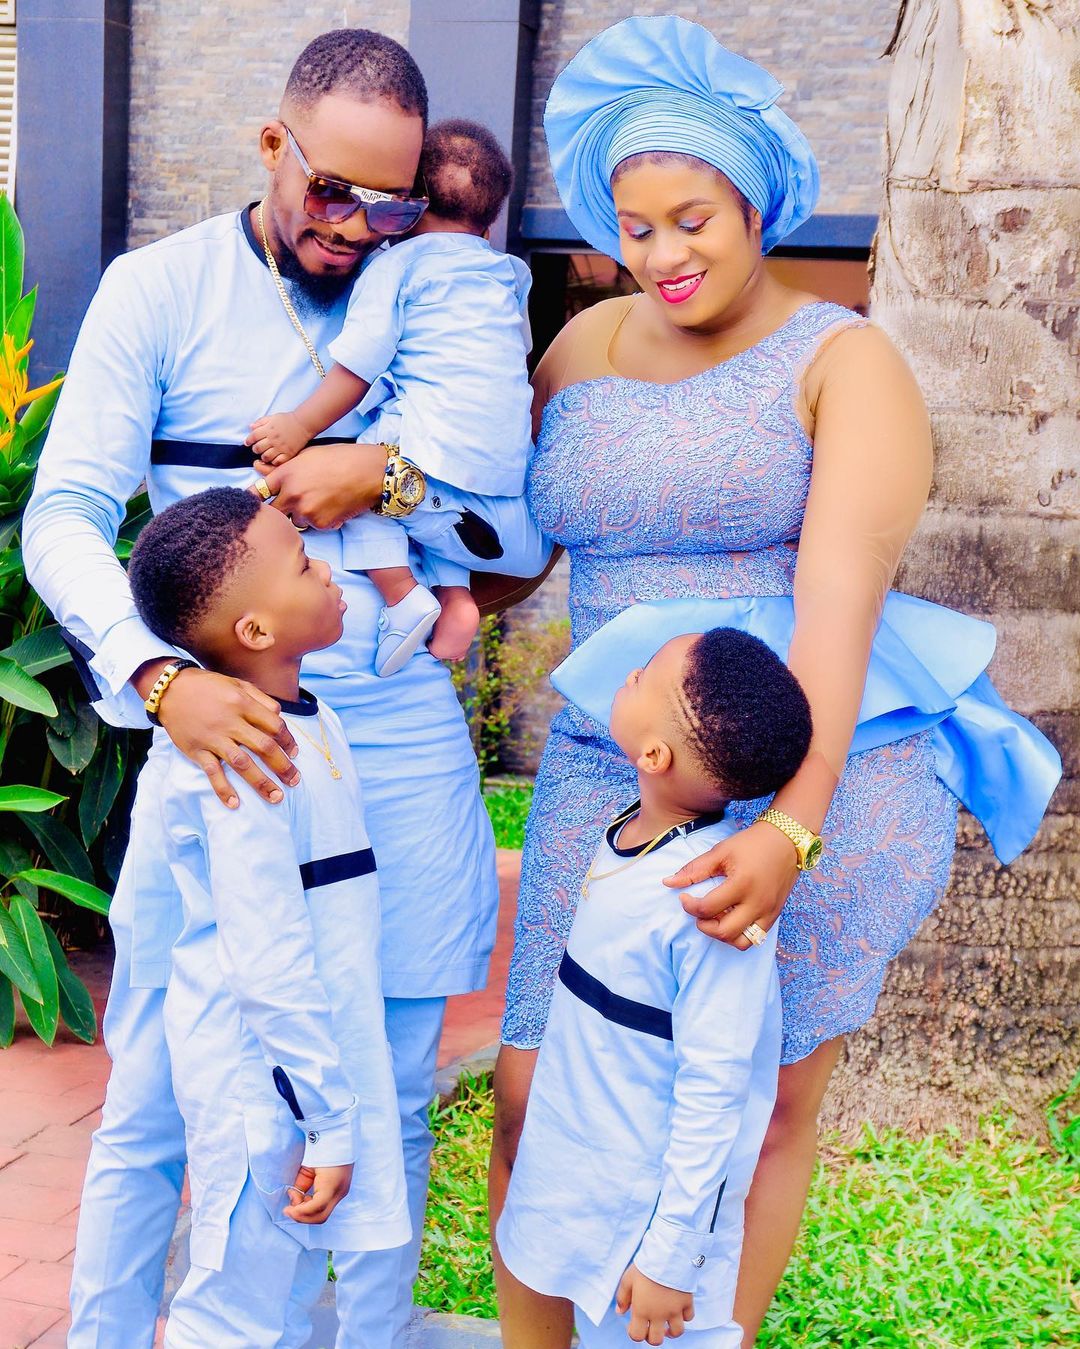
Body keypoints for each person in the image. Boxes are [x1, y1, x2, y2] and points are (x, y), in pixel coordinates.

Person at [489, 16, 1060, 1348]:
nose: (664, 254)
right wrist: (385, 499)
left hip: (807, 771)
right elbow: (510, 559)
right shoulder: (578, 350)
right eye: (635, 227)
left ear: (757, 206)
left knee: (752, 1109)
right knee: (531, 1094)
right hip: (605, 766)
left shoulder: (842, 360)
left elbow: (836, 616)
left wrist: (789, 832)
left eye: (692, 220)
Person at [22, 28, 546, 1349]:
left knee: (392, 1092)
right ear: (274, 144)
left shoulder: (443, 296)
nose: (358, 226)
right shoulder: (161, 290)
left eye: (392, 203)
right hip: (220, 728)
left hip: (402, 745)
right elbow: (65, 513)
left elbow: (517, 535)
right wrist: (158, 674)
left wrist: (394, 477)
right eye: (333, 191)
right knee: (156, 1093)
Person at [126, 488, 409, 1346]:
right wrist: (326, 1116)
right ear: (253, 630)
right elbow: (266, 959)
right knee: (233, 1313)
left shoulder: (313, 721)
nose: (329, 572)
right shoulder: (241, 761)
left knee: (280, 1300)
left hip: (313, 1072)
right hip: (265, 1084)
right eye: (303, 563)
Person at [497, 626, 813, 1348]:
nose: (628, 674)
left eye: (642, 675)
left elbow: (717, 1085)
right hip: (583, 1193)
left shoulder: (707, 898)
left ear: (654, 756)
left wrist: (673, 1255)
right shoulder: (626, 834)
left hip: (649, 1240)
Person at [248, 118, 533, 677]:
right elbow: (511, 353)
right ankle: (456, 597)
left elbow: (357, 367)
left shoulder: (398, 265)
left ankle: (403, 595)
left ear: (407, 207)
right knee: (424, 486)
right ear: (492, 219)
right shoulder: (509, 274)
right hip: (503, 464)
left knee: (354, 487)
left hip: (425, 447)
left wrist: (301, 426)